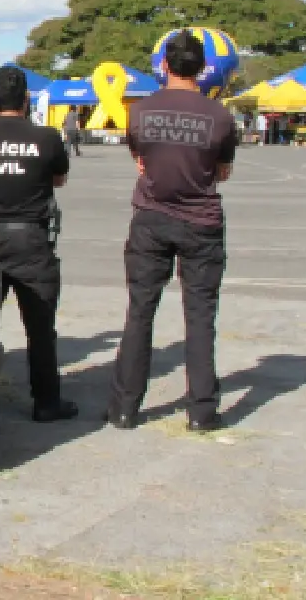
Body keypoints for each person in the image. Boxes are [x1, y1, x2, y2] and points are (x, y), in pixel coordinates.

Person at [105, 29, 238, 433]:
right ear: (202, 69)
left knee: (140, 312)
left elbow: (139, 159)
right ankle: (201, 410)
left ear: (164, 66)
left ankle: (126, 408)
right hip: (201, 220)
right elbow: (223, 172)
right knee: (200, 316)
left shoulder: (141, 110)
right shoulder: (219, 116)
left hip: (151, 217)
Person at [0, 65, 78, 422]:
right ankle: (46, 401)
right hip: (31, 237)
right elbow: (59, 178)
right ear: (27, 98)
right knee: (40, 327)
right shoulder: (46, 137)